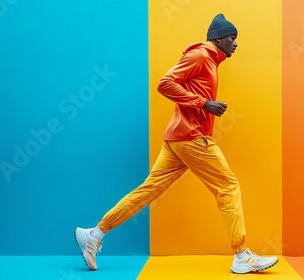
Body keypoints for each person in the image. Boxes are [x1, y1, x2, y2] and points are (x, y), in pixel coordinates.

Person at [74, 13, 278, 274]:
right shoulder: (201, 56)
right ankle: (241, 256)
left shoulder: (212, 61)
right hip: (192, 137)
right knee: (228, 186)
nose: (235, 43)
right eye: (232, 38)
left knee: (149, 190)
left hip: (178, 140)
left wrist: (203, 104)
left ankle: (94, 235)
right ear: (218, 38)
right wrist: (203, 103)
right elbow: (165, 83)